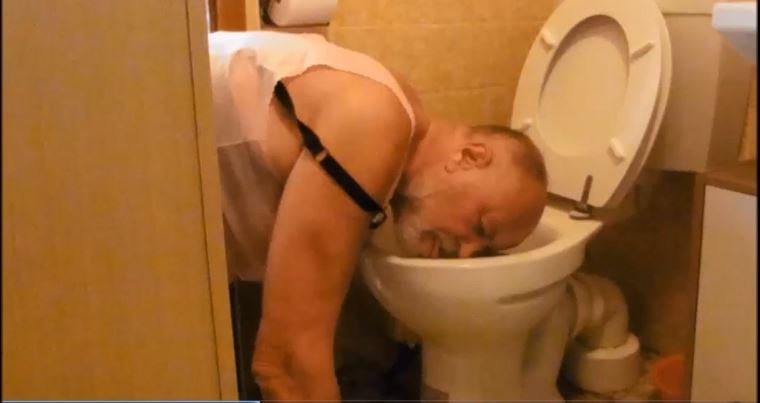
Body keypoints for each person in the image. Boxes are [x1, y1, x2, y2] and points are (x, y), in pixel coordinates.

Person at [208, 30, 548, 401]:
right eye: (481, 227)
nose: (465, 253)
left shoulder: (398, 109)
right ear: (470, 157)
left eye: (481, 251)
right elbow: (286, 364)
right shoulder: (378, 126)